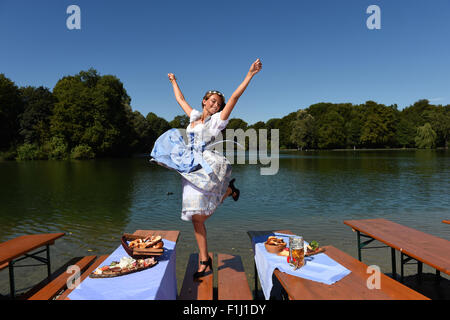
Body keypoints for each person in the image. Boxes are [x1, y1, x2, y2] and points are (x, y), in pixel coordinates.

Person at [150, 58, 262, 278]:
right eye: (212, 101)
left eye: (218, 103)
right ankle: (205, 259)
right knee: (195, 216)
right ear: (203, 102)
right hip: (190, 167)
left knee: (200, 215)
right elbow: (180, 99)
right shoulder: (193, 116)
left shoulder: (218, 121)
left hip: (207, 165)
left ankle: (228, 191)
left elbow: (235, 97)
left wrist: (250, 74)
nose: (216, 105)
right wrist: (173, 81)